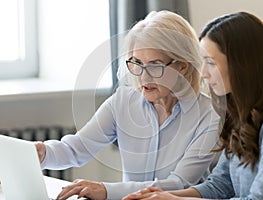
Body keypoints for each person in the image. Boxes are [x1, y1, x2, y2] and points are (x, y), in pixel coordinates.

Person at [35, 10, 220, 200]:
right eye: (137, 63)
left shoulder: (210, 116)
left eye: (155, 65)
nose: (143, 76)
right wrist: (43, 152)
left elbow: (179, 184)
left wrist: (106, 190)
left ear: (183, 65)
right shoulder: (123, 101)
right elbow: (78, 148)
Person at [122, 11, 263, 200]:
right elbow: (219, 186)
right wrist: (163, 195)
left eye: (211, 63)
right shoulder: (241, 118)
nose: (204, 73)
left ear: (240, 65)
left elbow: (261, 199)